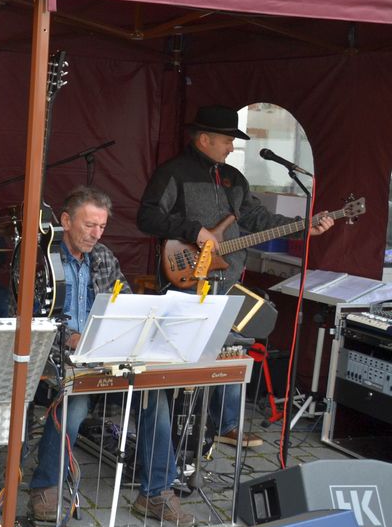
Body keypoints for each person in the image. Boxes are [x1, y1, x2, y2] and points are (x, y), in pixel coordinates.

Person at [137, 104, 333, 447]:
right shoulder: (173, 173)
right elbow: (147, 217)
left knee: (232, 349)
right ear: (204, 139)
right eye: (227, 140)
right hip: (186, 280)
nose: (231, 147)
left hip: (227, 281)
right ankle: (172, 429)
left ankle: (227, 425)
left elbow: (259, 220)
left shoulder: (234, 179)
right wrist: (194, 230)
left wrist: (304, 228)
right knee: (179, 357)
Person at [29, 186, 193, 526]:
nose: (96, 234)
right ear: (65, 221)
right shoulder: (41, 258)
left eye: (101, 226)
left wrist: (129, 334)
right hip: (58, 357)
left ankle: (155, 493)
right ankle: (46, 487)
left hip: (107, 354)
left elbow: (126, 302)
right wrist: (72, 338)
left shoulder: (103, 256)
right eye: (89, 225)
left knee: (153, 397)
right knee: (73, 407)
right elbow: (31, 318)